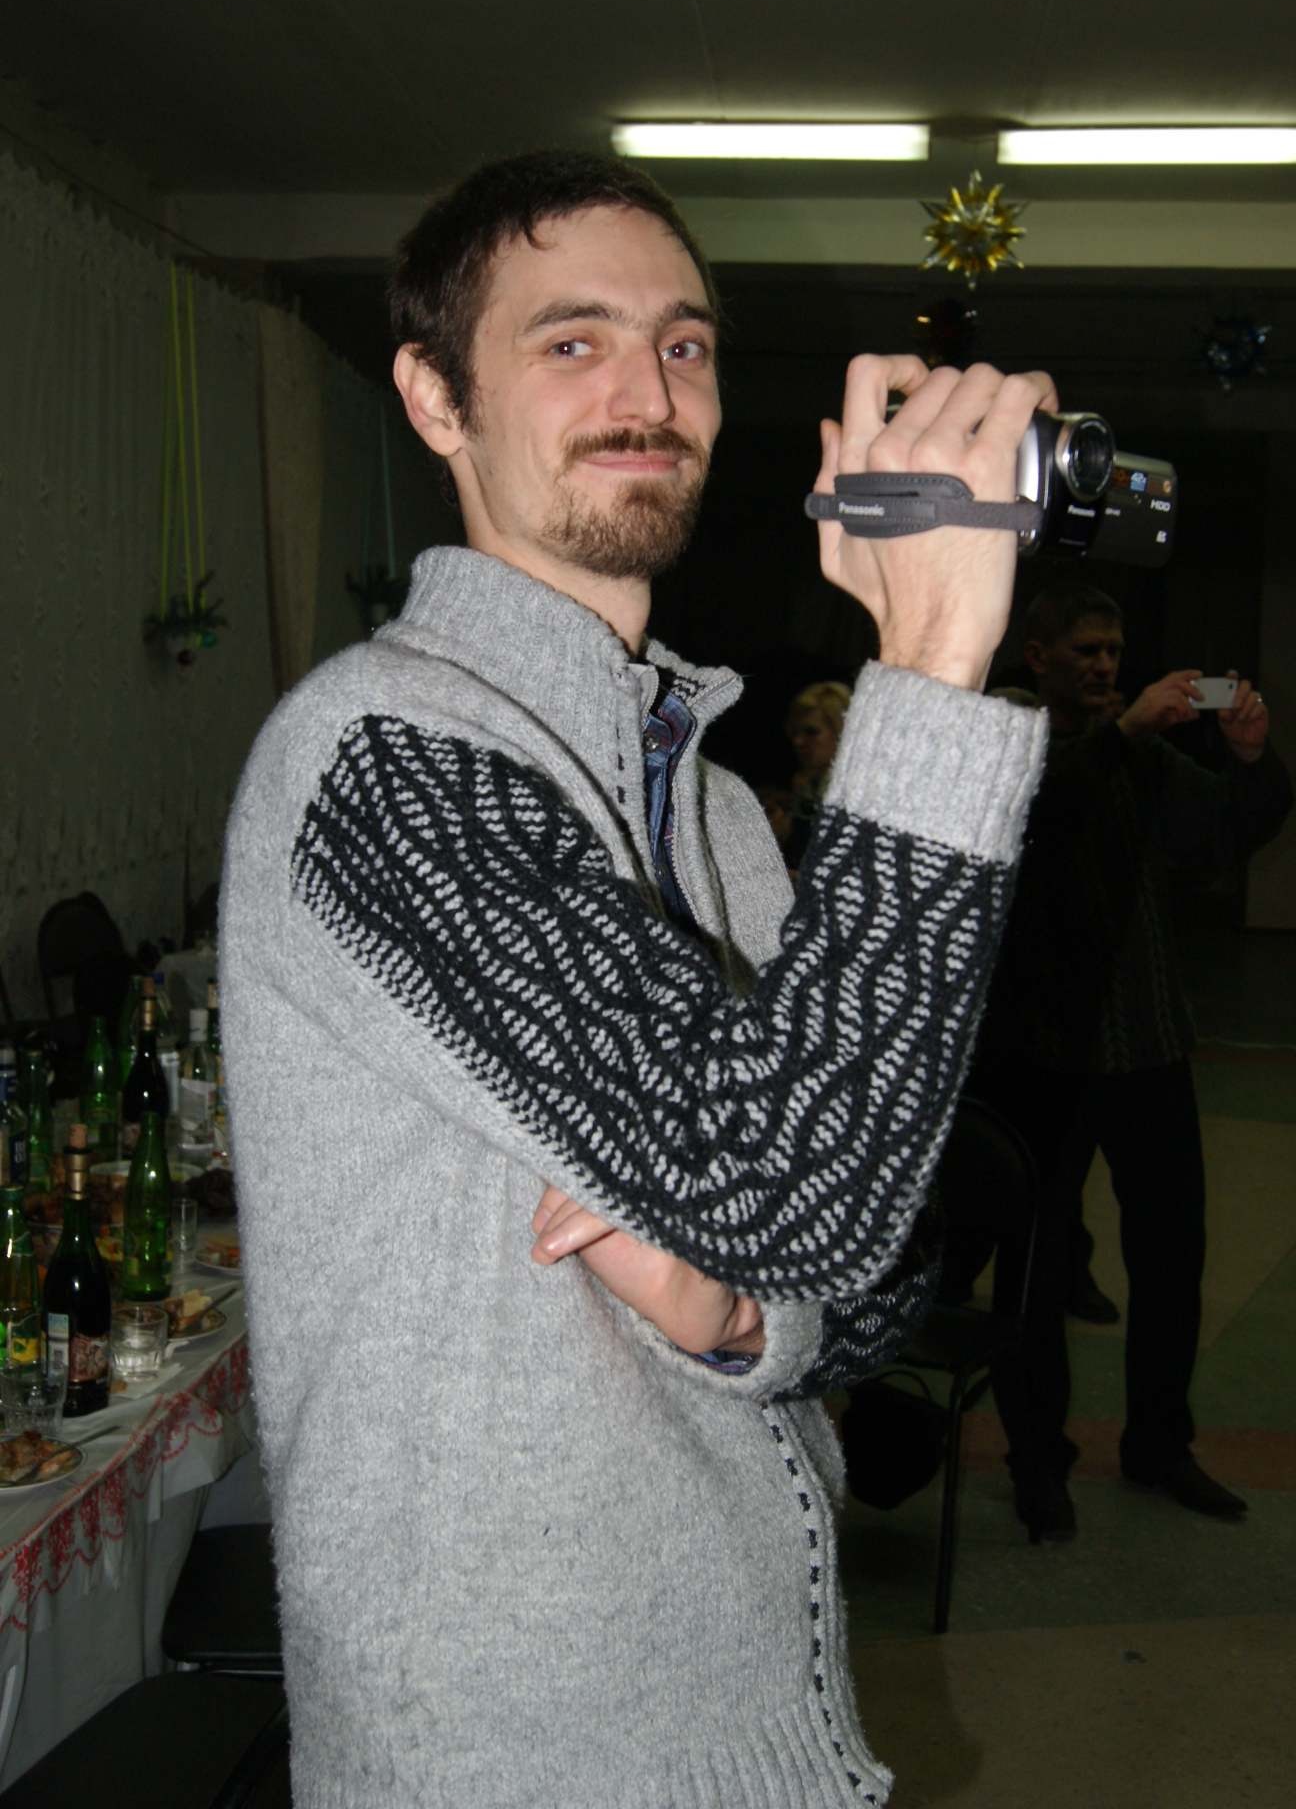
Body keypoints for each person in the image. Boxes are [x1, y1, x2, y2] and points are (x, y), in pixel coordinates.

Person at [220, 150, 1055, 1808]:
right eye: (571, 341)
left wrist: (746, 1313)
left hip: (757, 1715)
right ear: (434, 397)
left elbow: (885, 1245)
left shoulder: (719, 806)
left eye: (684, 345)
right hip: (504, 1753)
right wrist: (931, 666)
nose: (648, 393)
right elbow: (792, 1184)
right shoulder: (378, 764)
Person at [973, 583, 1291, 1543]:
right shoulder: (1012, 735)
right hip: (1043, 1056)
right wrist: (1124, 734)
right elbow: (1042, 809)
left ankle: (1159, 1443)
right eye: (1087, 651)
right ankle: (1038, 1463)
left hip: (1149, 1044)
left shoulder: (1139, 753)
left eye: (1114, 651)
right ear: (1039, 657)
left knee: (1172, 1257)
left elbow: (1226, 829)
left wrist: (1252, 759)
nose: (1106, 667)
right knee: (1035, 1269)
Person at [782, 680, 853, 872]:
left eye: (811, 732)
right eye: (794, 733)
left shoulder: (853, 791)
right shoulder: (808, 785)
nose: (798, 741)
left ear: (841, 731)